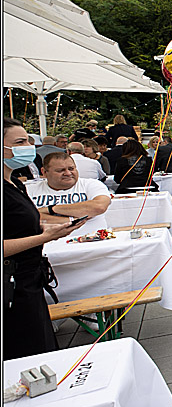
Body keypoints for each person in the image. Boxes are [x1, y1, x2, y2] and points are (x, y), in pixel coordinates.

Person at [3, 117, 85, 360]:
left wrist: (44, 227)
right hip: (11, 285)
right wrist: (44, 236)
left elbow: (18, 224)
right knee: (26, 353)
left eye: (28, 140)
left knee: (41, 348)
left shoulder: (14, 183)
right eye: (19, 142)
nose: (28, 145)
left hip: (28, 280)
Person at [27, 152, 112, 233]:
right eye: (60, 170)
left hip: (92, 242)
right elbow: (27, 217)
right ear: (44, 172)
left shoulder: (91, 184)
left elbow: (99, 207)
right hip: (47, 244)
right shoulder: (29, 190)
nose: (68, 173)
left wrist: (50, 209)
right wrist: (72, 220)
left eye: (71, 169)